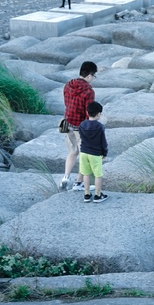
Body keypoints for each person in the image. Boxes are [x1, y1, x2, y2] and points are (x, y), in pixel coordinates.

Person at [62, 61, 97, 191]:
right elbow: (89, 113)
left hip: (68, 123)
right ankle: (79, 183)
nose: (93, 79)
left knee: (72, 152)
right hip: (81, 127)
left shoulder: (68, 85)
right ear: (89, 75)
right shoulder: (88, 91)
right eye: (94, 76)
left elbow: (66, 103)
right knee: (85, 154)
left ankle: (65, 178)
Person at [79, 101, 108, 203]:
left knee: (86, 174)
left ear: (87, 112)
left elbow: (81, 139)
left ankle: (86, 194)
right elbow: (103, 142)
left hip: (83, 152)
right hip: (95, 154)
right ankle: (97, 195)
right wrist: (104, 153)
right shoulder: (99, 126)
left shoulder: (82, 125)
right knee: (98, 175)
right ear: (99, 114)